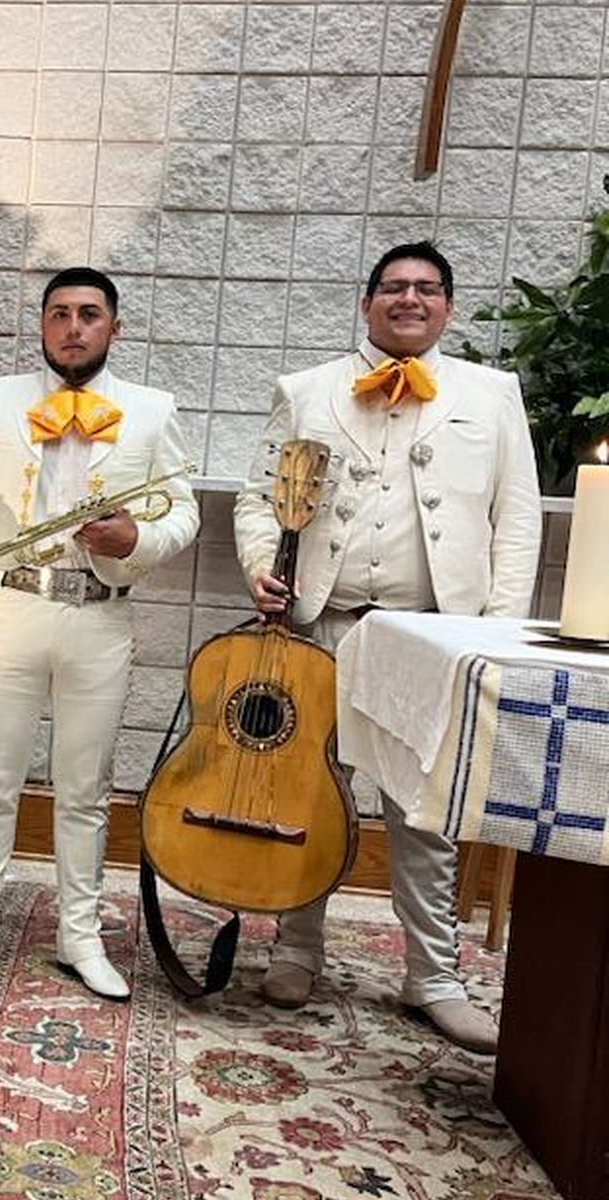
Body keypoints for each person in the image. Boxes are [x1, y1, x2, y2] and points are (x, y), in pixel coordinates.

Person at [232, 241, 541, 1053]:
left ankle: (432, 975)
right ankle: (296, 947)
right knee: (308, 792)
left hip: (436, 633)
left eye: (428, 288)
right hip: (323, 624)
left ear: (447, 306)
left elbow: (517, 522)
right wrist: (265, 569)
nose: (411, 299)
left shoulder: (492, 394)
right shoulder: (305, 391)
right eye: (395, 287)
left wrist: (497, 632)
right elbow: (260, 500)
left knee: (424, 808)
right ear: (367, 303)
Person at [0, 266, 200, 998]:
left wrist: (136, 538)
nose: (73, 327)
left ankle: (81, 937)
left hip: (98, 617)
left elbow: (183, 512)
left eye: (89, 314)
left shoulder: (151, 409)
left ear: (114, 326)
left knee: (84, 788)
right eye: (59, 314)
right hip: (13, 606)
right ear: (42, 325)